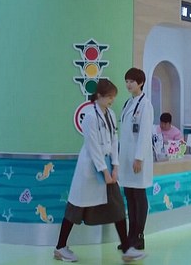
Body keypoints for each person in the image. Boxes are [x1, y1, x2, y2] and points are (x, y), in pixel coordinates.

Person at [54, 79, 146, 263]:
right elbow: (93, 146)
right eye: (109, 97)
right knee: (75, 209)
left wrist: (115, 166)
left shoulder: (110, 114)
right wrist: (104, 171)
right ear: (99, 96)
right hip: (90, 169)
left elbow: (114, 140)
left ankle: (127, 249)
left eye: (113, 97)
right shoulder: (90, 116)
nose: (112, 100)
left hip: (108, 168)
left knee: (118, 207)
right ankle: (60, 247)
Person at [118, 68, 154, 253]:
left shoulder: (145, 105)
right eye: (126, 81)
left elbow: (144, 134)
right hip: (126, 158)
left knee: (139, 196)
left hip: (137, 159)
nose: (128, 84)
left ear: (140, 83)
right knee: (129, 196)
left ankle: (139, 236)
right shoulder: (128, 103)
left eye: (131, 81)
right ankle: (130, 236)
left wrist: (139, 158)